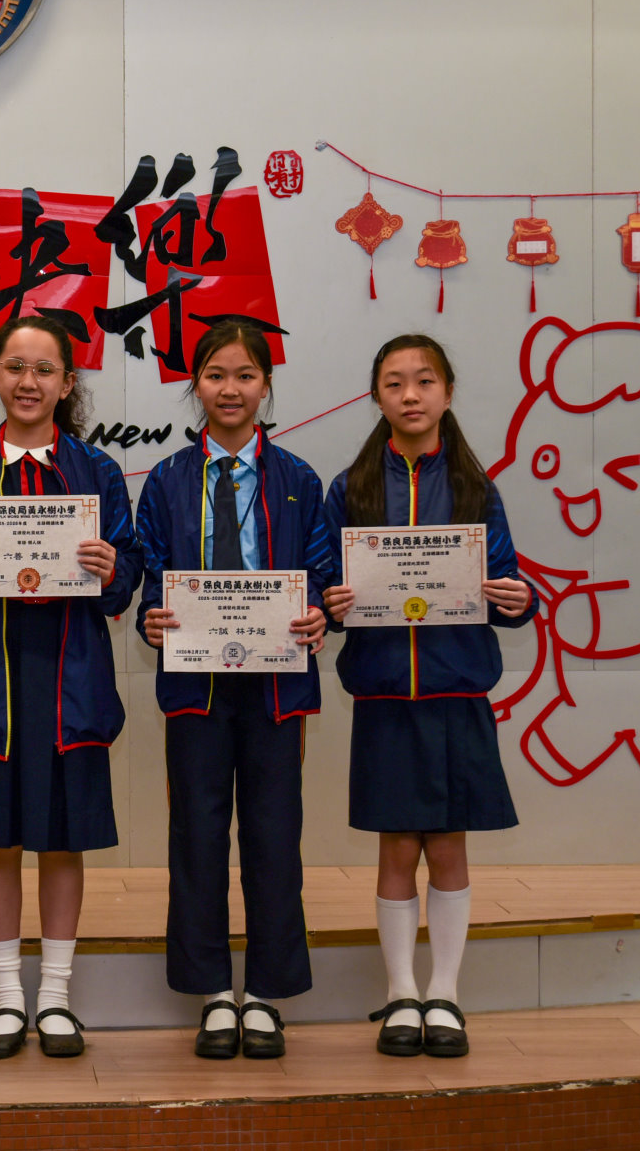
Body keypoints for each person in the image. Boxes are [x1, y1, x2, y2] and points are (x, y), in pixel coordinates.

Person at [0, 315, 138, 1060]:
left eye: (45, 370)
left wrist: (115, 569)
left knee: (64, 843)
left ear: (67, 383)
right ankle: (8, 997)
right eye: (15, 367)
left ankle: (57, 998)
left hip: (72, 684)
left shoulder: (97, 472)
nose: (29, 382)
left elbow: (128, 574)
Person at [320, 334, 536, 1060]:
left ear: (447, 392)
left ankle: (444, 992)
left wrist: (520, 599)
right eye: (394, 383)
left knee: (447, 846)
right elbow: (327, 587)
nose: (410, 395)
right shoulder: (350, 488)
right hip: (385, 696)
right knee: (394, 847)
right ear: (376, 397)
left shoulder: (477, 486)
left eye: (423, 381)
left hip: (455, 690)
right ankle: (401, 992)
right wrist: (332, 603)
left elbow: (505, 579)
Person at [134, 321, 330, 1061]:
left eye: (245, 375)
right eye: (215, 375)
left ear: (266, 385)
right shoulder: (166, 479)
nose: (230, 389)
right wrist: (152, 617)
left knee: (275, 837)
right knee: (197, 833)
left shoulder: (299, 480)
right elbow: (152, 571)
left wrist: (318, 612)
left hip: (276, 686)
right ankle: (214, 992)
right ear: (196, 385)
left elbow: (319, 571)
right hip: (196, 684)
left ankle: (269, 994)